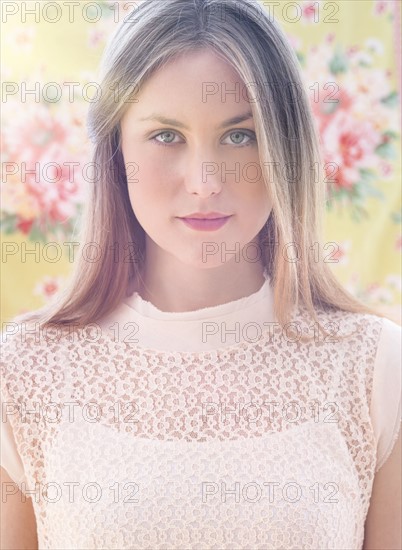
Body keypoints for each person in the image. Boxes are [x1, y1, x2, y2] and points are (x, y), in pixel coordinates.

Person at [1, 0, 401, 548]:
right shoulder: (24, 369)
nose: (206, 181)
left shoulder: (374, 366)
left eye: (240, 135)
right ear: (116, 152)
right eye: (166, 136)